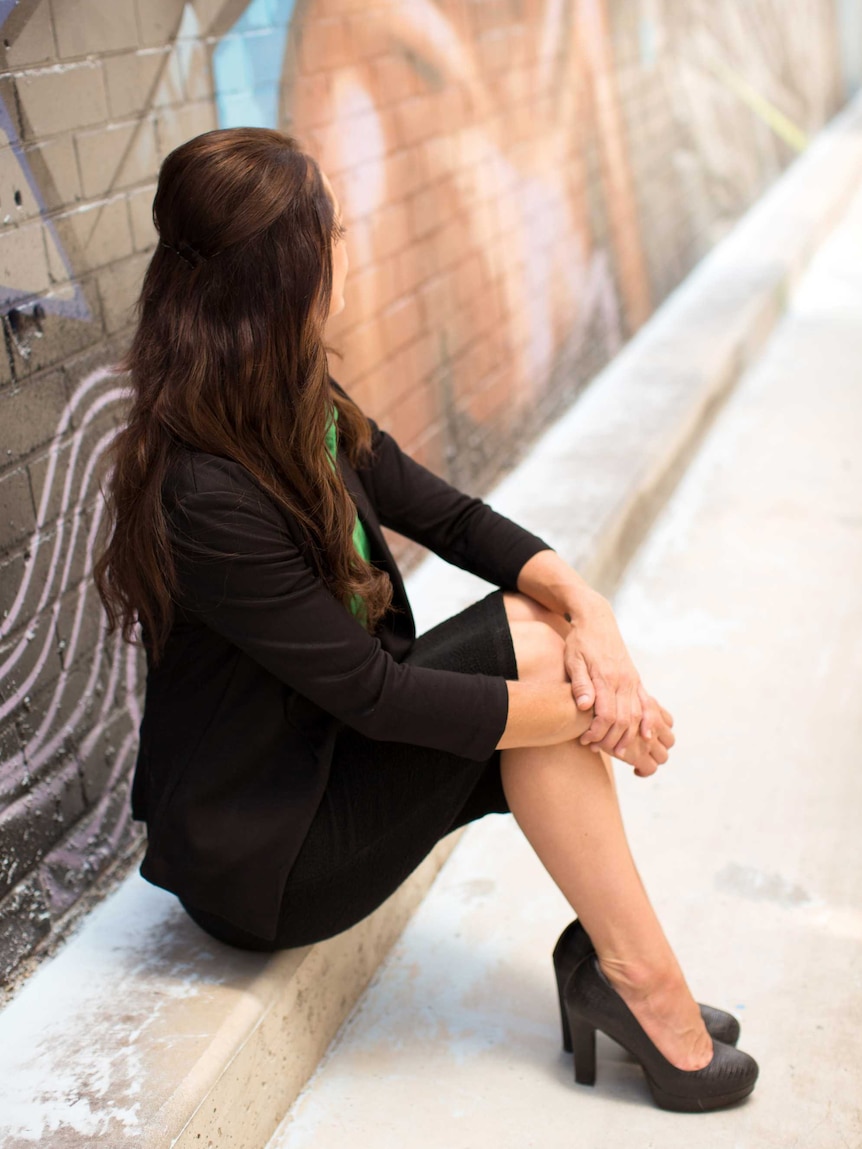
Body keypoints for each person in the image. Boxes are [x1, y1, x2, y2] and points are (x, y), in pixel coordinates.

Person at [93, 127, 758, 1113]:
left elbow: (450, 517)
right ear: (289, 276)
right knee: (534, 670)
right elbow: (376, 698)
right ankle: (644, 989)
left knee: (539, 629)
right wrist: (591, 713)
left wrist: (591, 614)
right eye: (335, 231)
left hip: (317, 760)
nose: (349, 245)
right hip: (265, 855)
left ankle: (634, 973)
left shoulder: (289, 395)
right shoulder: (206, 494)